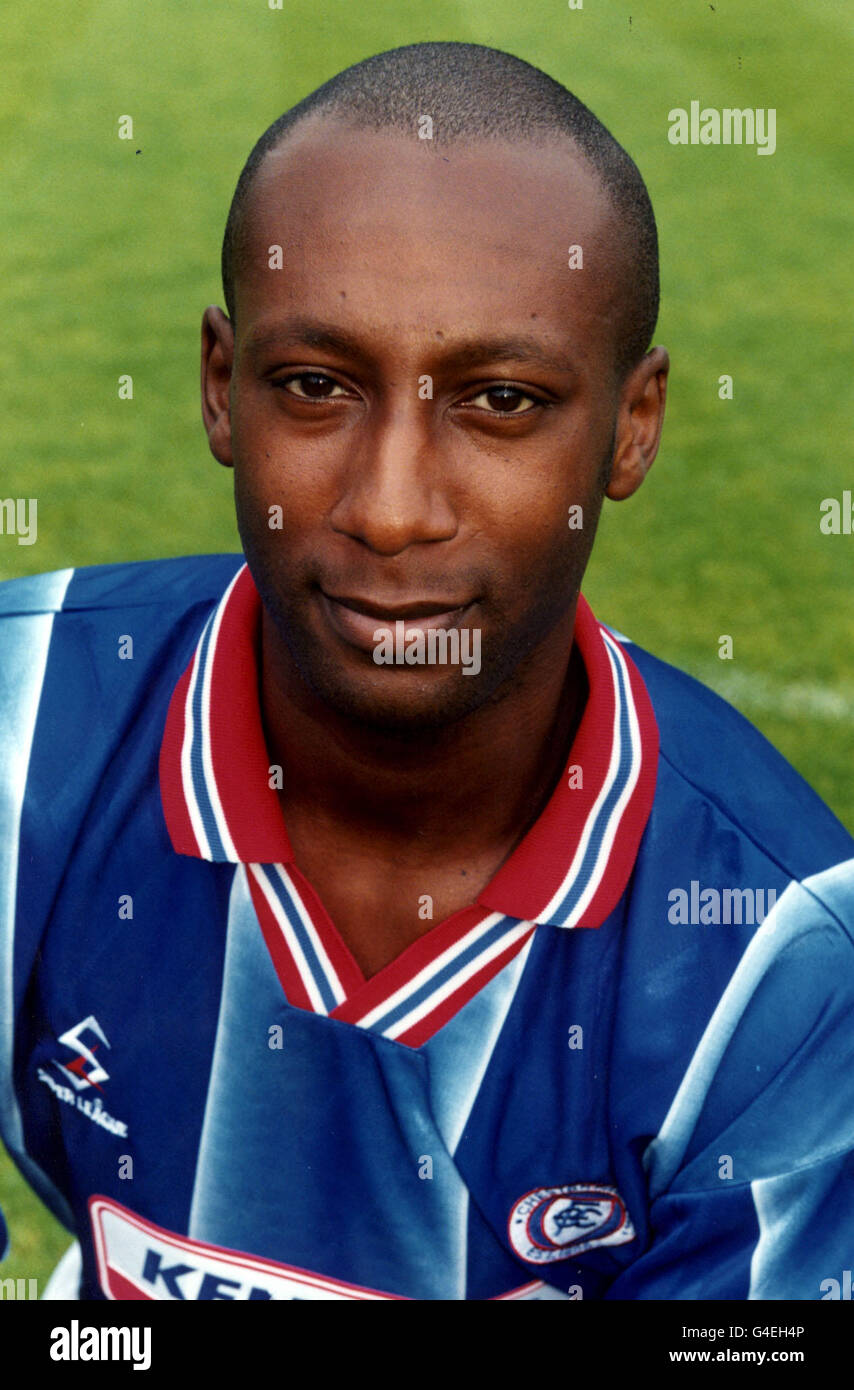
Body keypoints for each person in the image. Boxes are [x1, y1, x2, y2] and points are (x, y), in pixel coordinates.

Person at [1, 41, 852, 1303]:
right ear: (221, 389)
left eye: (499, 399)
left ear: (630, 425)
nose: (391, 510)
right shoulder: (18, 735)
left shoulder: (778, 958)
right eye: (314, 385)